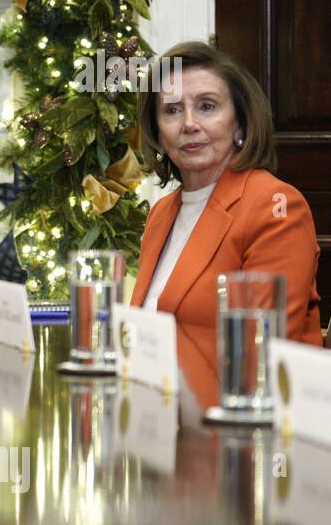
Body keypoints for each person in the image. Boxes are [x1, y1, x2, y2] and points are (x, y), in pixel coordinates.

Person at [130, 41, 321, 344]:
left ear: (240, 125)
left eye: (207, 106)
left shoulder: (275, 206)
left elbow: (260, 346)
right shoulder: (161, 213)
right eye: (172, 110)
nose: (189, 123)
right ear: (157, 132)